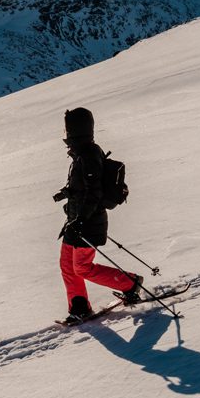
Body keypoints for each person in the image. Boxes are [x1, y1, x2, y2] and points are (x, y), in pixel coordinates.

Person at [53, 106, 144, 324]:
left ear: (74, 130)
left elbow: (94, 192)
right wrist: (67, 193)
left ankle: (130, 283)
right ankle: (80, 306)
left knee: (82, 267)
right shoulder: (81, 153)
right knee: (67, 264)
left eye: (68, 129)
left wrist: (81, 219)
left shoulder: (89, 155)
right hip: (76, 220)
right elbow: (84, 186)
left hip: (88, 222)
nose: (65, 133)